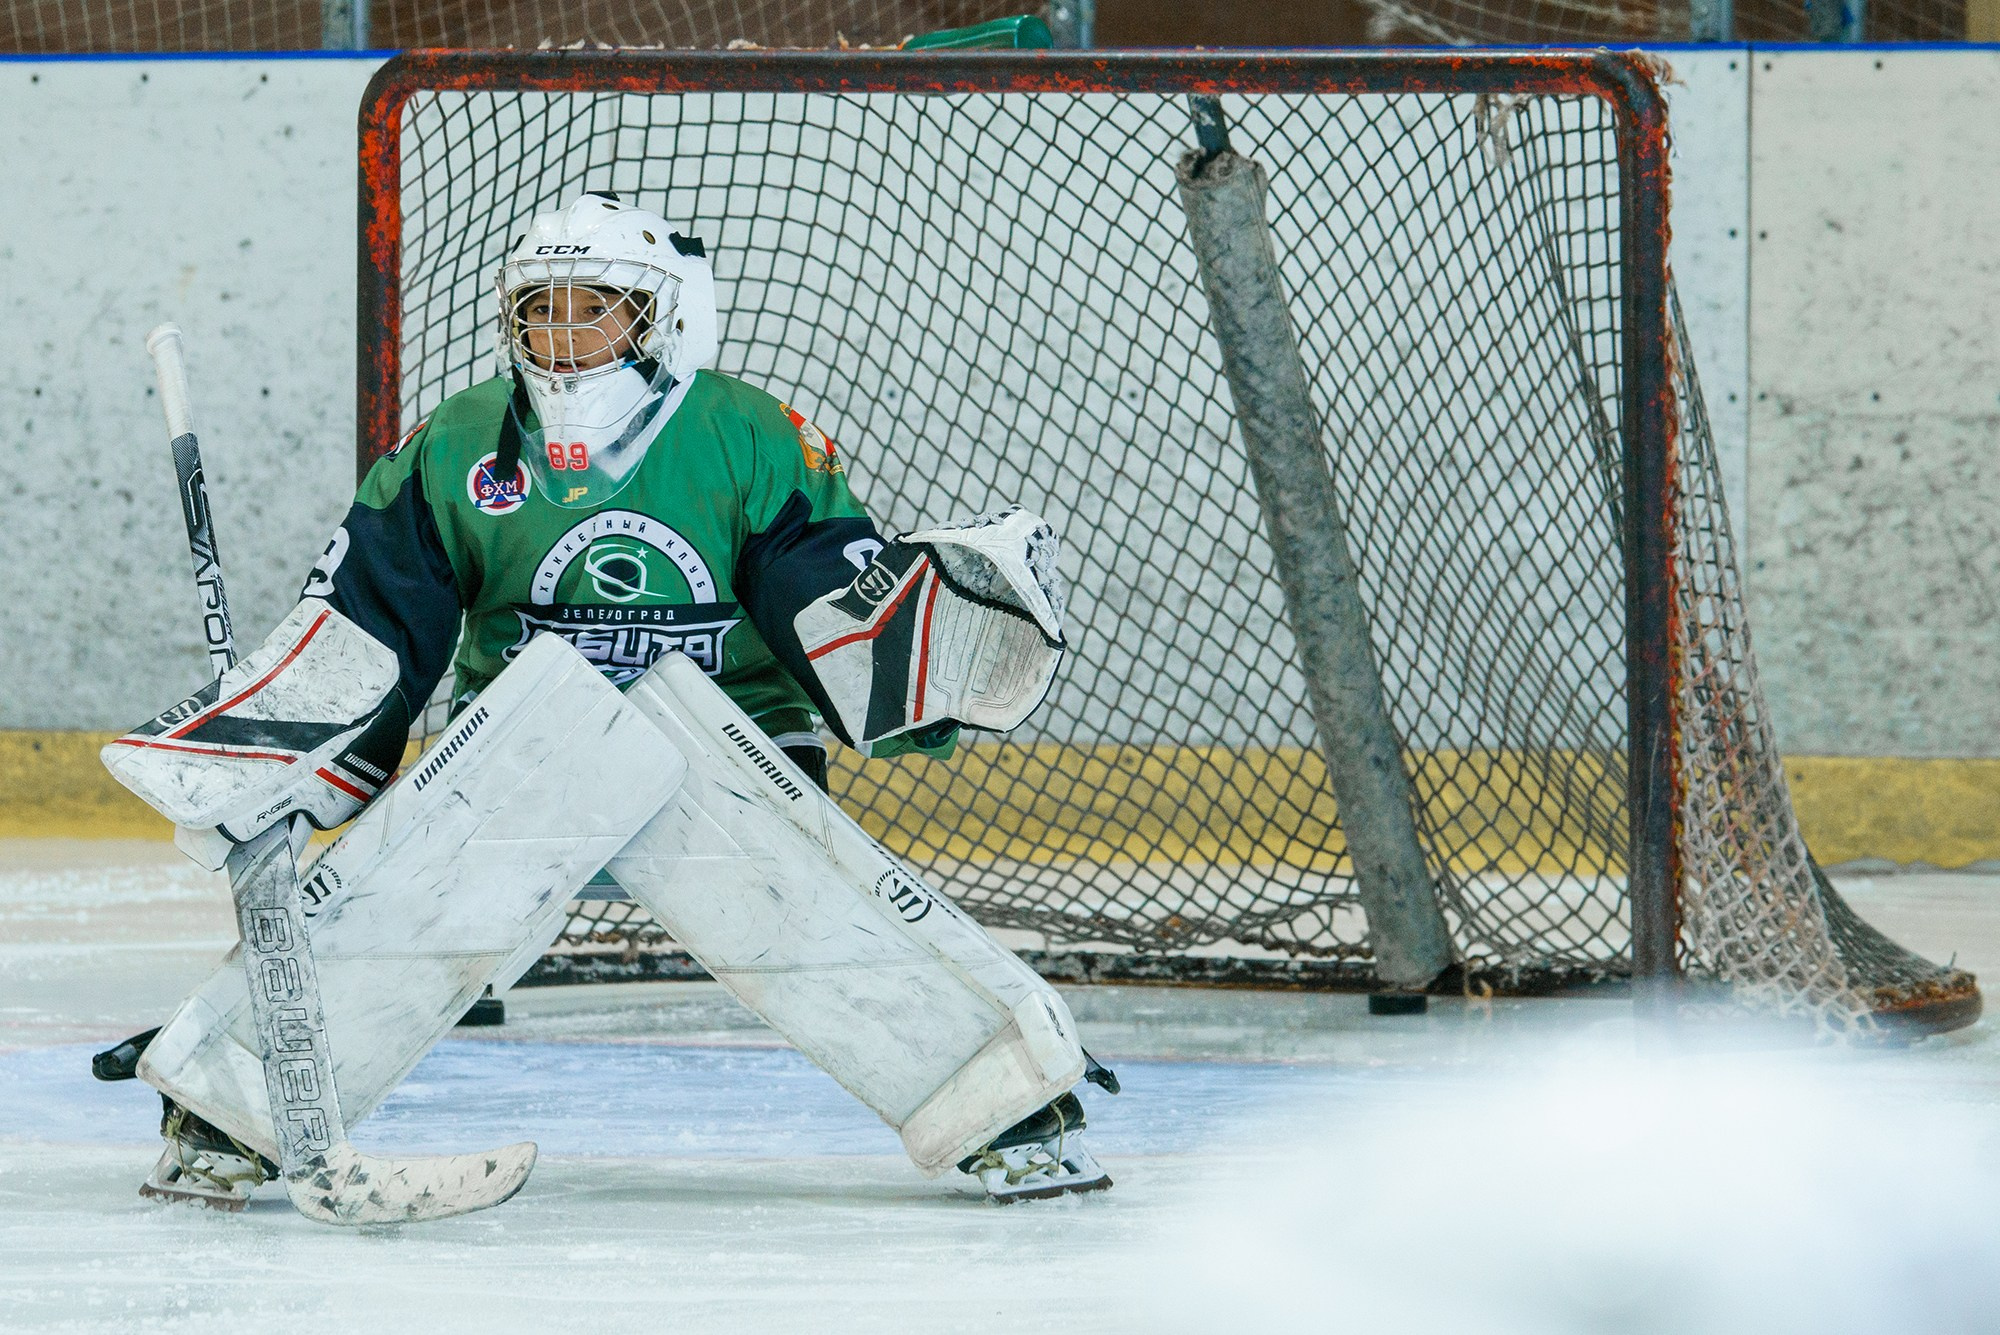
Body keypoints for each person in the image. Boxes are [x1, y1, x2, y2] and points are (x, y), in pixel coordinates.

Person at [98, 192, 1114, 1211]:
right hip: (524, 747)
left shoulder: (744, 432)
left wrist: (925, 647)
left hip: (726, 738)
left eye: (596, 307)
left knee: (806, 913)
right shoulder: (459, 442)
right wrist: (275, 754)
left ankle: (1010, 1106)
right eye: (540, 308)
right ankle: (225, 1110)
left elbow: (826, 594)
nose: (564, 332)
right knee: (405, 899)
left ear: (658, 317)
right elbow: (370, 622)